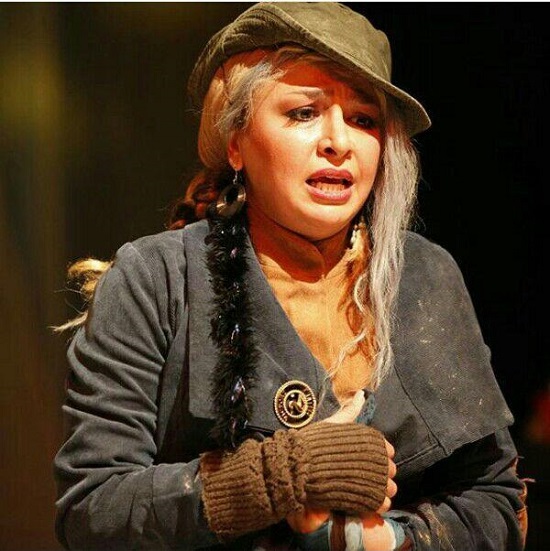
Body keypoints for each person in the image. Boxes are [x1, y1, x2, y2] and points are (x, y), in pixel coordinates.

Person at [53, 3, 528, 550]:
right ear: (236, 143)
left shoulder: (426, 275)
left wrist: (382, 541)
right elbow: (92, 510)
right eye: (304, 113)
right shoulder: (155, 278)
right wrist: (281, 475)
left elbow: (495, 499)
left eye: (364, 120)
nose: (339, 142)